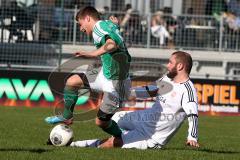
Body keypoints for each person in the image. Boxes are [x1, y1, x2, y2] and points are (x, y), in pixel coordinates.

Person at [70, 51, 200, 149]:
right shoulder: (168, 78)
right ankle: (122, 135)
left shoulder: (188, 91)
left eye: (170, 62)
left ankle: (73, 145)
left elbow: (193, 115)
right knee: (108, 120)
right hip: (142, 118)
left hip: (151, 137)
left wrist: (192, 137)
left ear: (180, 66)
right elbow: (151, 89)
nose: (167, 65)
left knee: (114, 143)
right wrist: (128, 92)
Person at [45, 6, 132, 139]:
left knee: (101, 122)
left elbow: (112, 44)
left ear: (88, 18)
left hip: (117, 85)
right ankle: (67, 116)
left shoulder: (98, 28)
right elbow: (114, 36)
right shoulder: (107, 25)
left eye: (81, 24)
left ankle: (123, 138)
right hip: (106, 74)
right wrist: (115, 25)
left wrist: (91, 54)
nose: (81, 28)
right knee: (72, 81)